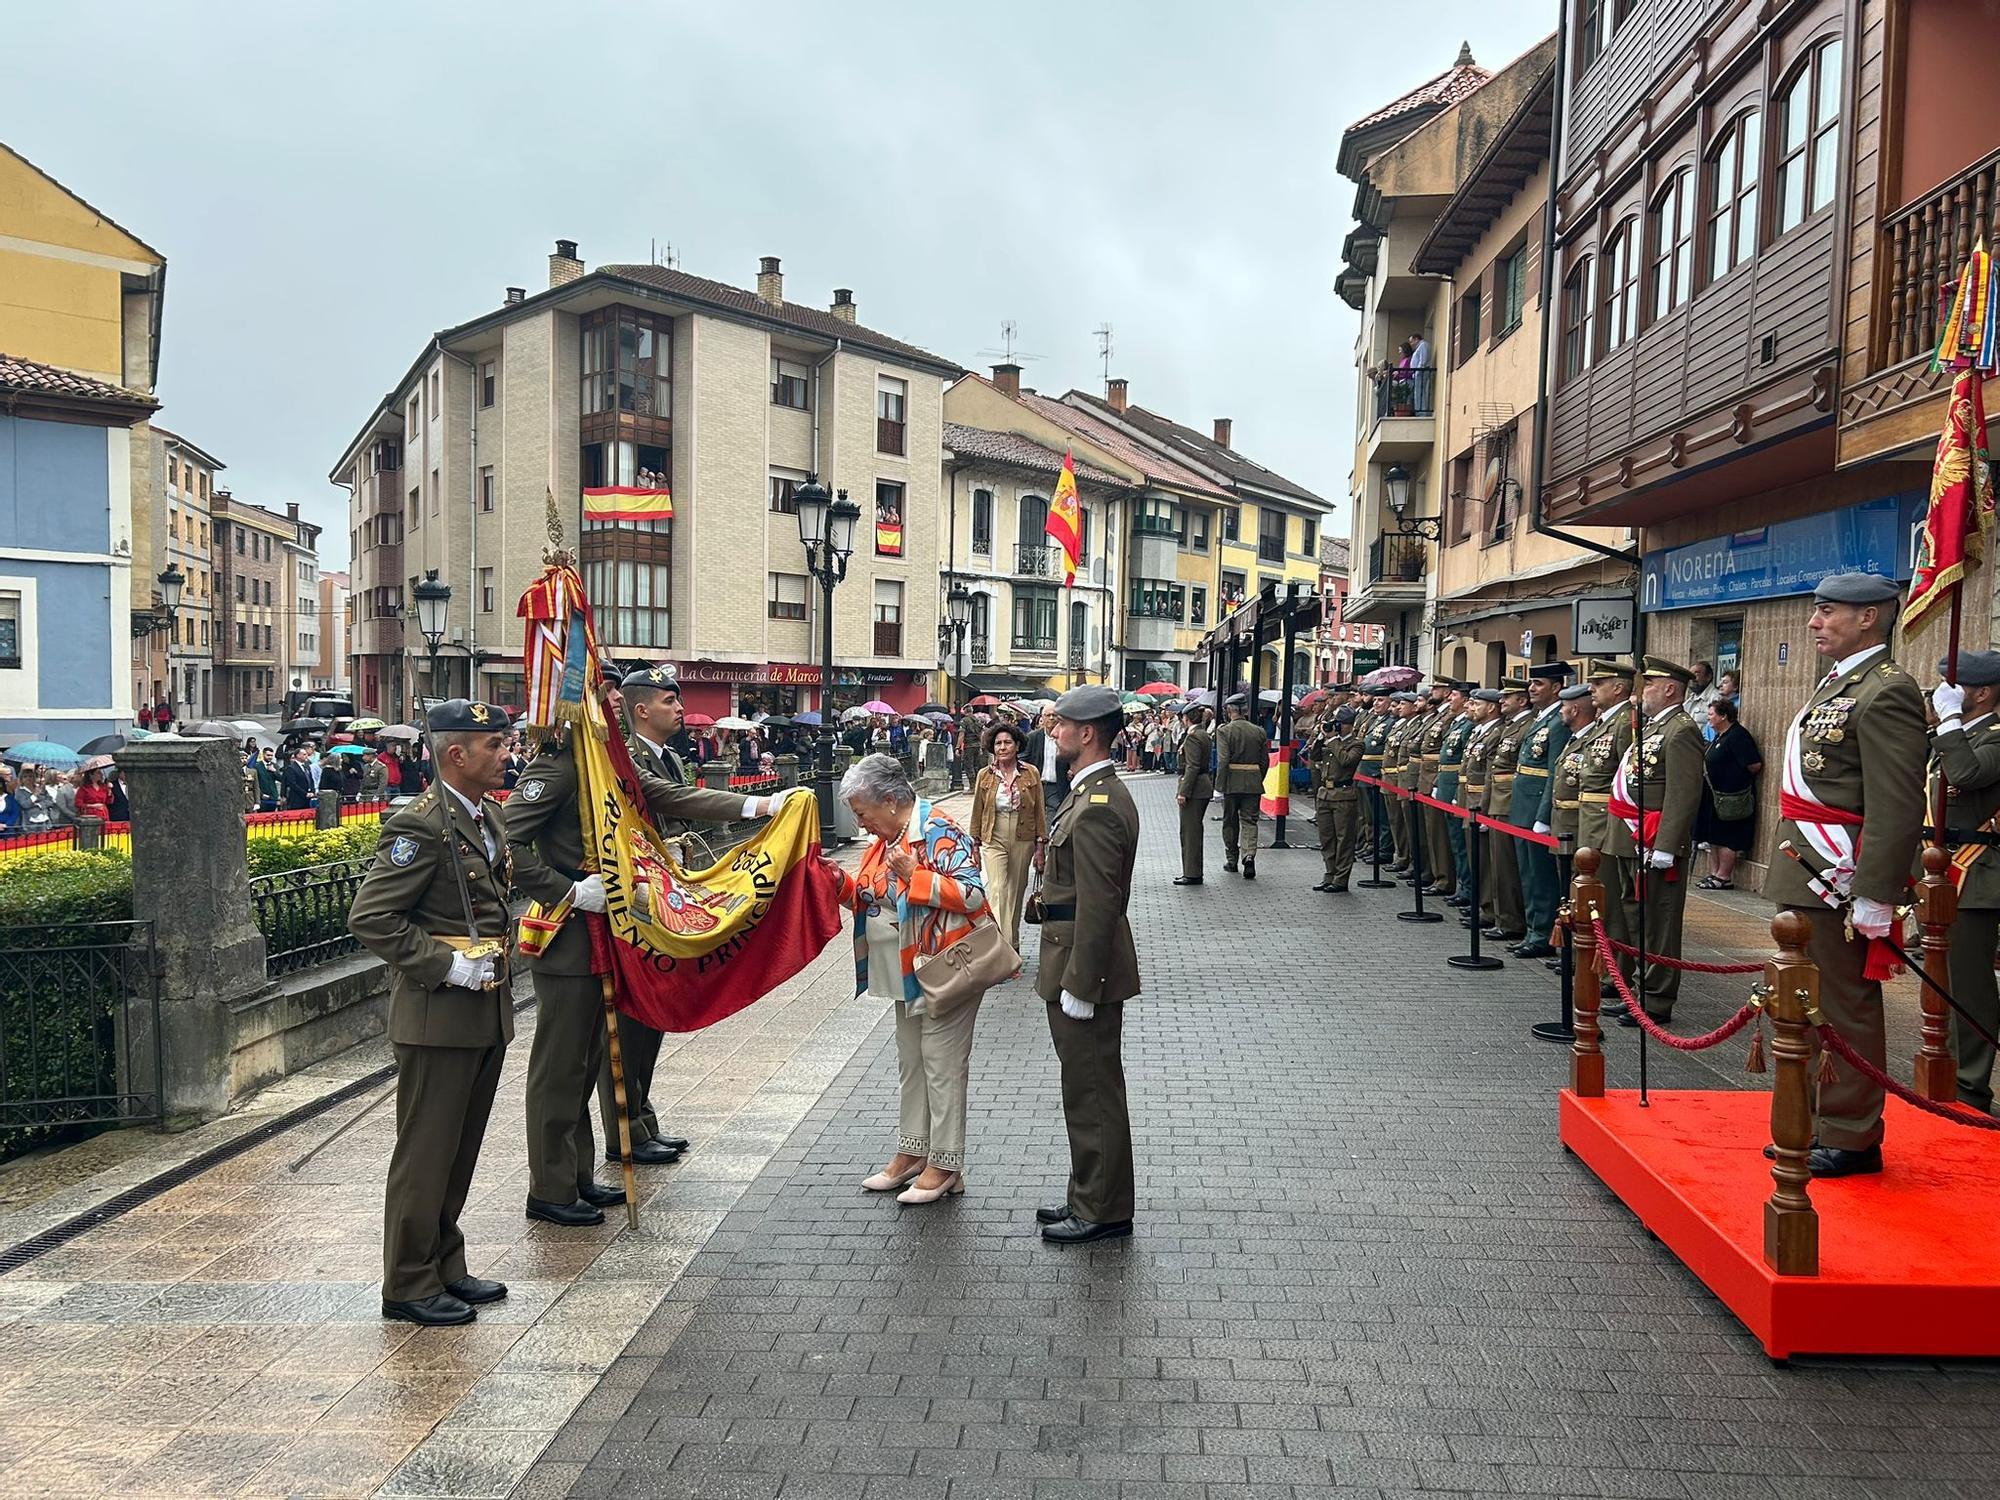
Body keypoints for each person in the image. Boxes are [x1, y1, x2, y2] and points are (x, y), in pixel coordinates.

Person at [506, 688, 804, 1226]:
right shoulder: (562, 764)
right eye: (606, 690)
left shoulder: (605, 760)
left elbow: (669, 796)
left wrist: (762, 805)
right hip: (571, 933)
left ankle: (574, 1178)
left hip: (614, 929)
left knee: (589, 1058)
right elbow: (507, 842)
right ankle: (548, 1187)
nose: (616, 699)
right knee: (560, 1067)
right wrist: (567, 890)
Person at [346, 699, 517, 1326]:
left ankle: (445, 1261)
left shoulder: (483, 817)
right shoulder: (421, 826)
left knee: (459, 1148)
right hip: (437, 1015)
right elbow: (371, 918)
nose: (506, 754)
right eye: (495, 746)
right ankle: (408, 1282)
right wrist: (445, 965)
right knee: (426, 1151)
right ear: (457, 754)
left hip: (483, 1010)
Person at [1769, 572, 1926, 1177]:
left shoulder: (1886, 689)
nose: (1814, 621)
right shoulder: (1838, 684)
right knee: (1802, 1001)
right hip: (1805, 864)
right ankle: (1807, 1119)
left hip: (1841, 869)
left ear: (1870, 617)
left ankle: (1853, 1134)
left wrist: (1876, 893)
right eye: (1816, 610)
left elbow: (1896, 802)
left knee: (1844, 1006)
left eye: (1827, 611)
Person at [598, 665, 759, 1168]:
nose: (680, 707)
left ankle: (642, 1117)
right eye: (670, 700)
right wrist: (759, 805)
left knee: (655, 1014)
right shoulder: (622, 757)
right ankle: (624, 1130)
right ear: (640, 708)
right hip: (637, 903)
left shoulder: (666, 757)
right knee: (632, 1020)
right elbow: (677, 802)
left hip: (666, 897)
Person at [827, 754, 991, 1205]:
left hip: (945, 966)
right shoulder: (890, 837)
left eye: (863, 812)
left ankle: (945, 1163)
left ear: (892, 799)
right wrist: (835, 880)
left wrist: (914, 876)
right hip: (907, 969)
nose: (861, 824)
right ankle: (912, 1152)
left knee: (941, 1064)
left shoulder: (938, 828)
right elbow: (869, 895)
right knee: (913, 1063)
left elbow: (974, 894)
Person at [1033, 684, 1140, 1245]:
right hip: (1070, 953)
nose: (1053, 733)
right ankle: (1088, 1194)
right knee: (1084, 1085)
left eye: (1060, 726)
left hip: (1083, 964)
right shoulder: (1087, 793)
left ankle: (1103, 1208)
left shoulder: (1098, 804)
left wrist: (1083, 981)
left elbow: (1100, 904)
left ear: (1087, 733)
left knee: (1093, 1088)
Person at [1602, 657, 1706, 1024]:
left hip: (1655, 841)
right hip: (1633, 836)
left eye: (1650, 683)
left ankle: (1657, 999)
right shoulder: (1655, 727)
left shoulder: (1681, 730)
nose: (1642, 690)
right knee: (1635, 917)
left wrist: (1666, 845)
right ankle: (1636, 991)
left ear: (1670, 689)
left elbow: (1683, 793)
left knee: (1658, 923)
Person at [1929, 649, 2000, 1114]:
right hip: (1946, 870)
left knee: (1969, 987)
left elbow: (1966, 774)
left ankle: (1971, 1083)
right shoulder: (1958, 733)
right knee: (1946, 982)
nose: (1945, 695)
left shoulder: (1993, 736)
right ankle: (1948, 1071)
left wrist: (1950, 721)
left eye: (1957, 687)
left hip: (1977, 874)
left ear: (1982, 692)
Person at [1576, 660, 1637, 1008]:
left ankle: (1616, 973)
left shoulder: (1625, 723)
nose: (1592, 690)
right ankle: (1598, 965)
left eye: (1599, 684)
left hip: (1608, 819)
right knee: (1593, 898)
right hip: (1591, 818)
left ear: (1618, 687)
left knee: (1610, 902)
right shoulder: (1605, 722)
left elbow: (1627, 776)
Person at [1510, 665, 1572, 958]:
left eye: (1538, 683)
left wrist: (1543, 815)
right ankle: (1533, 928)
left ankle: (1542, 933)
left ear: (1556, 688)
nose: (1532, 688)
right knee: (1527, 873)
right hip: (1523, 805)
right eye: (1531, 683)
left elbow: (1554, 772)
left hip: (1536, 807)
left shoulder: (1559, 722)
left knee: (1540, 876)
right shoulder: (1542, 718)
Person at [968, 722, 1045, 955]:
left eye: (1007, 742)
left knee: (1015, 891)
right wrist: (975, 845)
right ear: (992, 747)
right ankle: (1002, 952)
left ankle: (1013, 944)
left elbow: (1039, 810)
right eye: (998, 743)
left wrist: (1041, 845)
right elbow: (977, 811)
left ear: (1017, 745)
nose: (1002, 747)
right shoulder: (985, 775)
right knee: (998, 890)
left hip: (1023, 835)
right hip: (994, 834)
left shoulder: (1030, 772)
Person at [1482, 678, 1534, 943]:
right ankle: (1503, 917)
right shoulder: (1512, 726)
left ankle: (1511, 921)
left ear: (1521, 701)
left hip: (1510, 802)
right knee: (1498, 865)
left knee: (1508, 867)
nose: (1502, 701)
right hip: (1498, 801)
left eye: (1508, 697)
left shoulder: (1527, 726)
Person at [1695, 698, 1762, 889]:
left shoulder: (1737, 736)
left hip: (1732, 797)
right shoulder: (1720, 735)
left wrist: (1733, 779)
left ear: (1723, 716)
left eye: (1711, 714)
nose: (1709, 718)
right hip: (1715, 796)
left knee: (1727, 837)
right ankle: (1715, 873)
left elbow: (1754, 765)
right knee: (1714, 836)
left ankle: (1724, 876)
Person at [1309, 706, 1363, 893]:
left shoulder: (1356, 744)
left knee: (1344, 840)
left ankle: (1341, 879)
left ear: (1349, 725)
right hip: (1325, 794)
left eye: (1339, 724)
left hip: (1343, 795)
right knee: (1327, 839)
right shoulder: (1331, 741)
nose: (1336, 727)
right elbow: (1313, 756)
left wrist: (1333, 740)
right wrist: (1320, 737)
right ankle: (1329, 874)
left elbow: (1346, 761)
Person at [1215, 694, 1267, 878]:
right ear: (1244, 711)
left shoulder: (1224, 731)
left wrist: (1219, 786)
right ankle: (1249, 856)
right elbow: (1264, 761)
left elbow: (1223, 761)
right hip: (1253, 782)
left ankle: (1232, 860)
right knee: (1250, 821)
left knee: (1230, 822)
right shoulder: (1259, 731)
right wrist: (1257, 778)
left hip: (1231, 783)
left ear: (1229, 711)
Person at [1174, 704, 1215, 886]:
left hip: (1195, 787)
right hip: (1203, 784)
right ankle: (1192, 871)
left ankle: (1192, 873)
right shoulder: (1203, 734)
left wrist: (1183, 791)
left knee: (1190, 831)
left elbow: (1192, 766)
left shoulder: (1192, 737)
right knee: (1194, 829)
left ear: (1186, 718)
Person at [282, 746, 315, 811]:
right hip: (297, 800)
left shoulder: (307, 767)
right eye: (304, 754)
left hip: (308, 799)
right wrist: (305, 793)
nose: (306, 756)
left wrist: (312, 791)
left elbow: (311, 780)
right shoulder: (291, 768)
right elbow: (293, 784)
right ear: (298, 755)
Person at [253, 746, 282, 812]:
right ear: (263, 754)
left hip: (273, 796)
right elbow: (254, 783)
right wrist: (261, 794)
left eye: (271, 755)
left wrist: (274, 771)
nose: (270, 757)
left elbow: (281, 779)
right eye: (268, 755)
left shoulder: (274, 765)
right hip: (262, 797)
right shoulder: (257, 766)